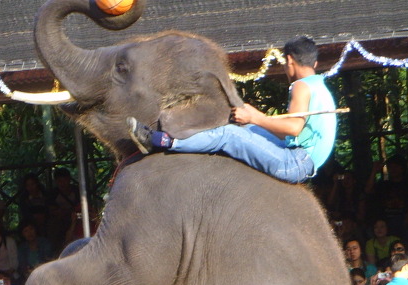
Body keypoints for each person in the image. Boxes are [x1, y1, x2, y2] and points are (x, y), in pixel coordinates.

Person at [128, 36, 337, 185]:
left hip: (296, 162)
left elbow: (293, 128)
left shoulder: (301, 86)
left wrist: (255, 117)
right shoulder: (319, 85)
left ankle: (166, 142)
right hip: (304, 160)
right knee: (248, 130)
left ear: (289, 60)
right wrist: (254, 121)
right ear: (315, 62)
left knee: (229, 134)